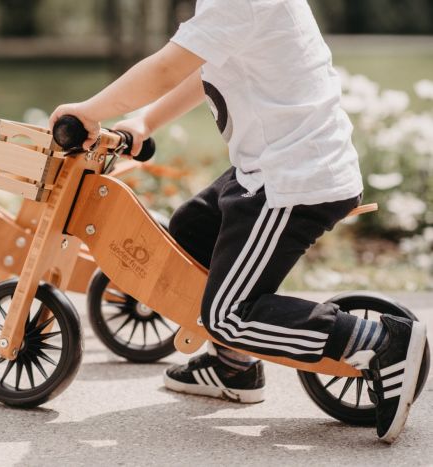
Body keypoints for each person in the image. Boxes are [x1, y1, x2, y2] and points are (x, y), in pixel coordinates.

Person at [49, 0, 426, 443]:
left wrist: (91, 111)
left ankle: (382, 341)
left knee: (229, 314)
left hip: (291, 184)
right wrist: (146, 121)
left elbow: (169, 67)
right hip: (267, 170)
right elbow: (205, 63)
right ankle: (234, 368)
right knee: (191, 232)